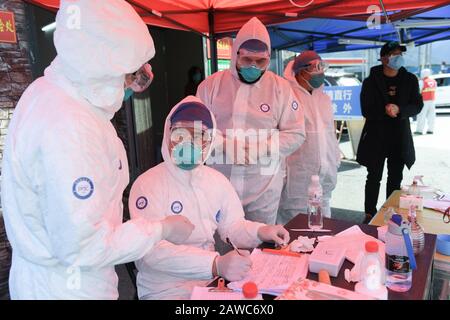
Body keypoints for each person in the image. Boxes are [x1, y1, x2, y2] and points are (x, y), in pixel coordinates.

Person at [1, 0, 194, 299]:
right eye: (130, 76)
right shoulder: (69, 127)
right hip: (68, 286)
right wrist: (160, 229)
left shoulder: (51, 93)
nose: (133, 86)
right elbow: (83, 245)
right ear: (102, 70)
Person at [129, 96, 290, 300]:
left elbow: (232, 227)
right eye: (180, 134)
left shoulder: (215, 180)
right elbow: (151, 252)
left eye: (198, 136)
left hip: (211, 283)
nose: (189, 143)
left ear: (210, 141)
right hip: (165, 288)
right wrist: (214, 264)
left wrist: (261, 231)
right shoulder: (148, 184)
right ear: (168, 135)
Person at [197, 17, 305, 225]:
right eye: (247, 60)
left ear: (268, 59)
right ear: (235, 54)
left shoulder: (280, 88)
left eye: (261, 62)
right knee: (222, 243)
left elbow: (296, 133)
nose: (254, 67)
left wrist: (263, 148)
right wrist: (224, 144)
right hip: (219, 183)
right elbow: (198, 128)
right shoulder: (211, 86)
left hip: (263, 188)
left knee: (261, 246)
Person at [357, 41, 423, 223]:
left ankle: (390, 211)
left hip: (399, 137)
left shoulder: (409, 79)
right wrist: (384, 110)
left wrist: (399, 109)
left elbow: (417, 105)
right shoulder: (371, 81)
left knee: (395, 177)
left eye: (399, 54)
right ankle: (369, 213)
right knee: (374, 177)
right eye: (394, 55)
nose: (398, 58)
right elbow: (366, 110)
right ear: (384, 58)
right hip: (376, 137)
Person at [278, 51, 340, 224]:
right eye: (315, 68)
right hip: (297, 179)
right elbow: (281, 138)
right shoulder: (288, 98)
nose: (320, 73)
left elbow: (330, 134)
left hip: (324, 179)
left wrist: (334, 160)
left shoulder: (324, 99)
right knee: (294, 228)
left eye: (322, 67)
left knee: (323, 226)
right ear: (300, 71)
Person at [415, 68, 437, 135]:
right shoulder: (433, 81)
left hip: (424, 101)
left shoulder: (422, 82)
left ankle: (419, 130)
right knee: (431, 116)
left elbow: (418, 92)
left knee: (421, 115)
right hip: (432, 100)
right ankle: (430, 130)